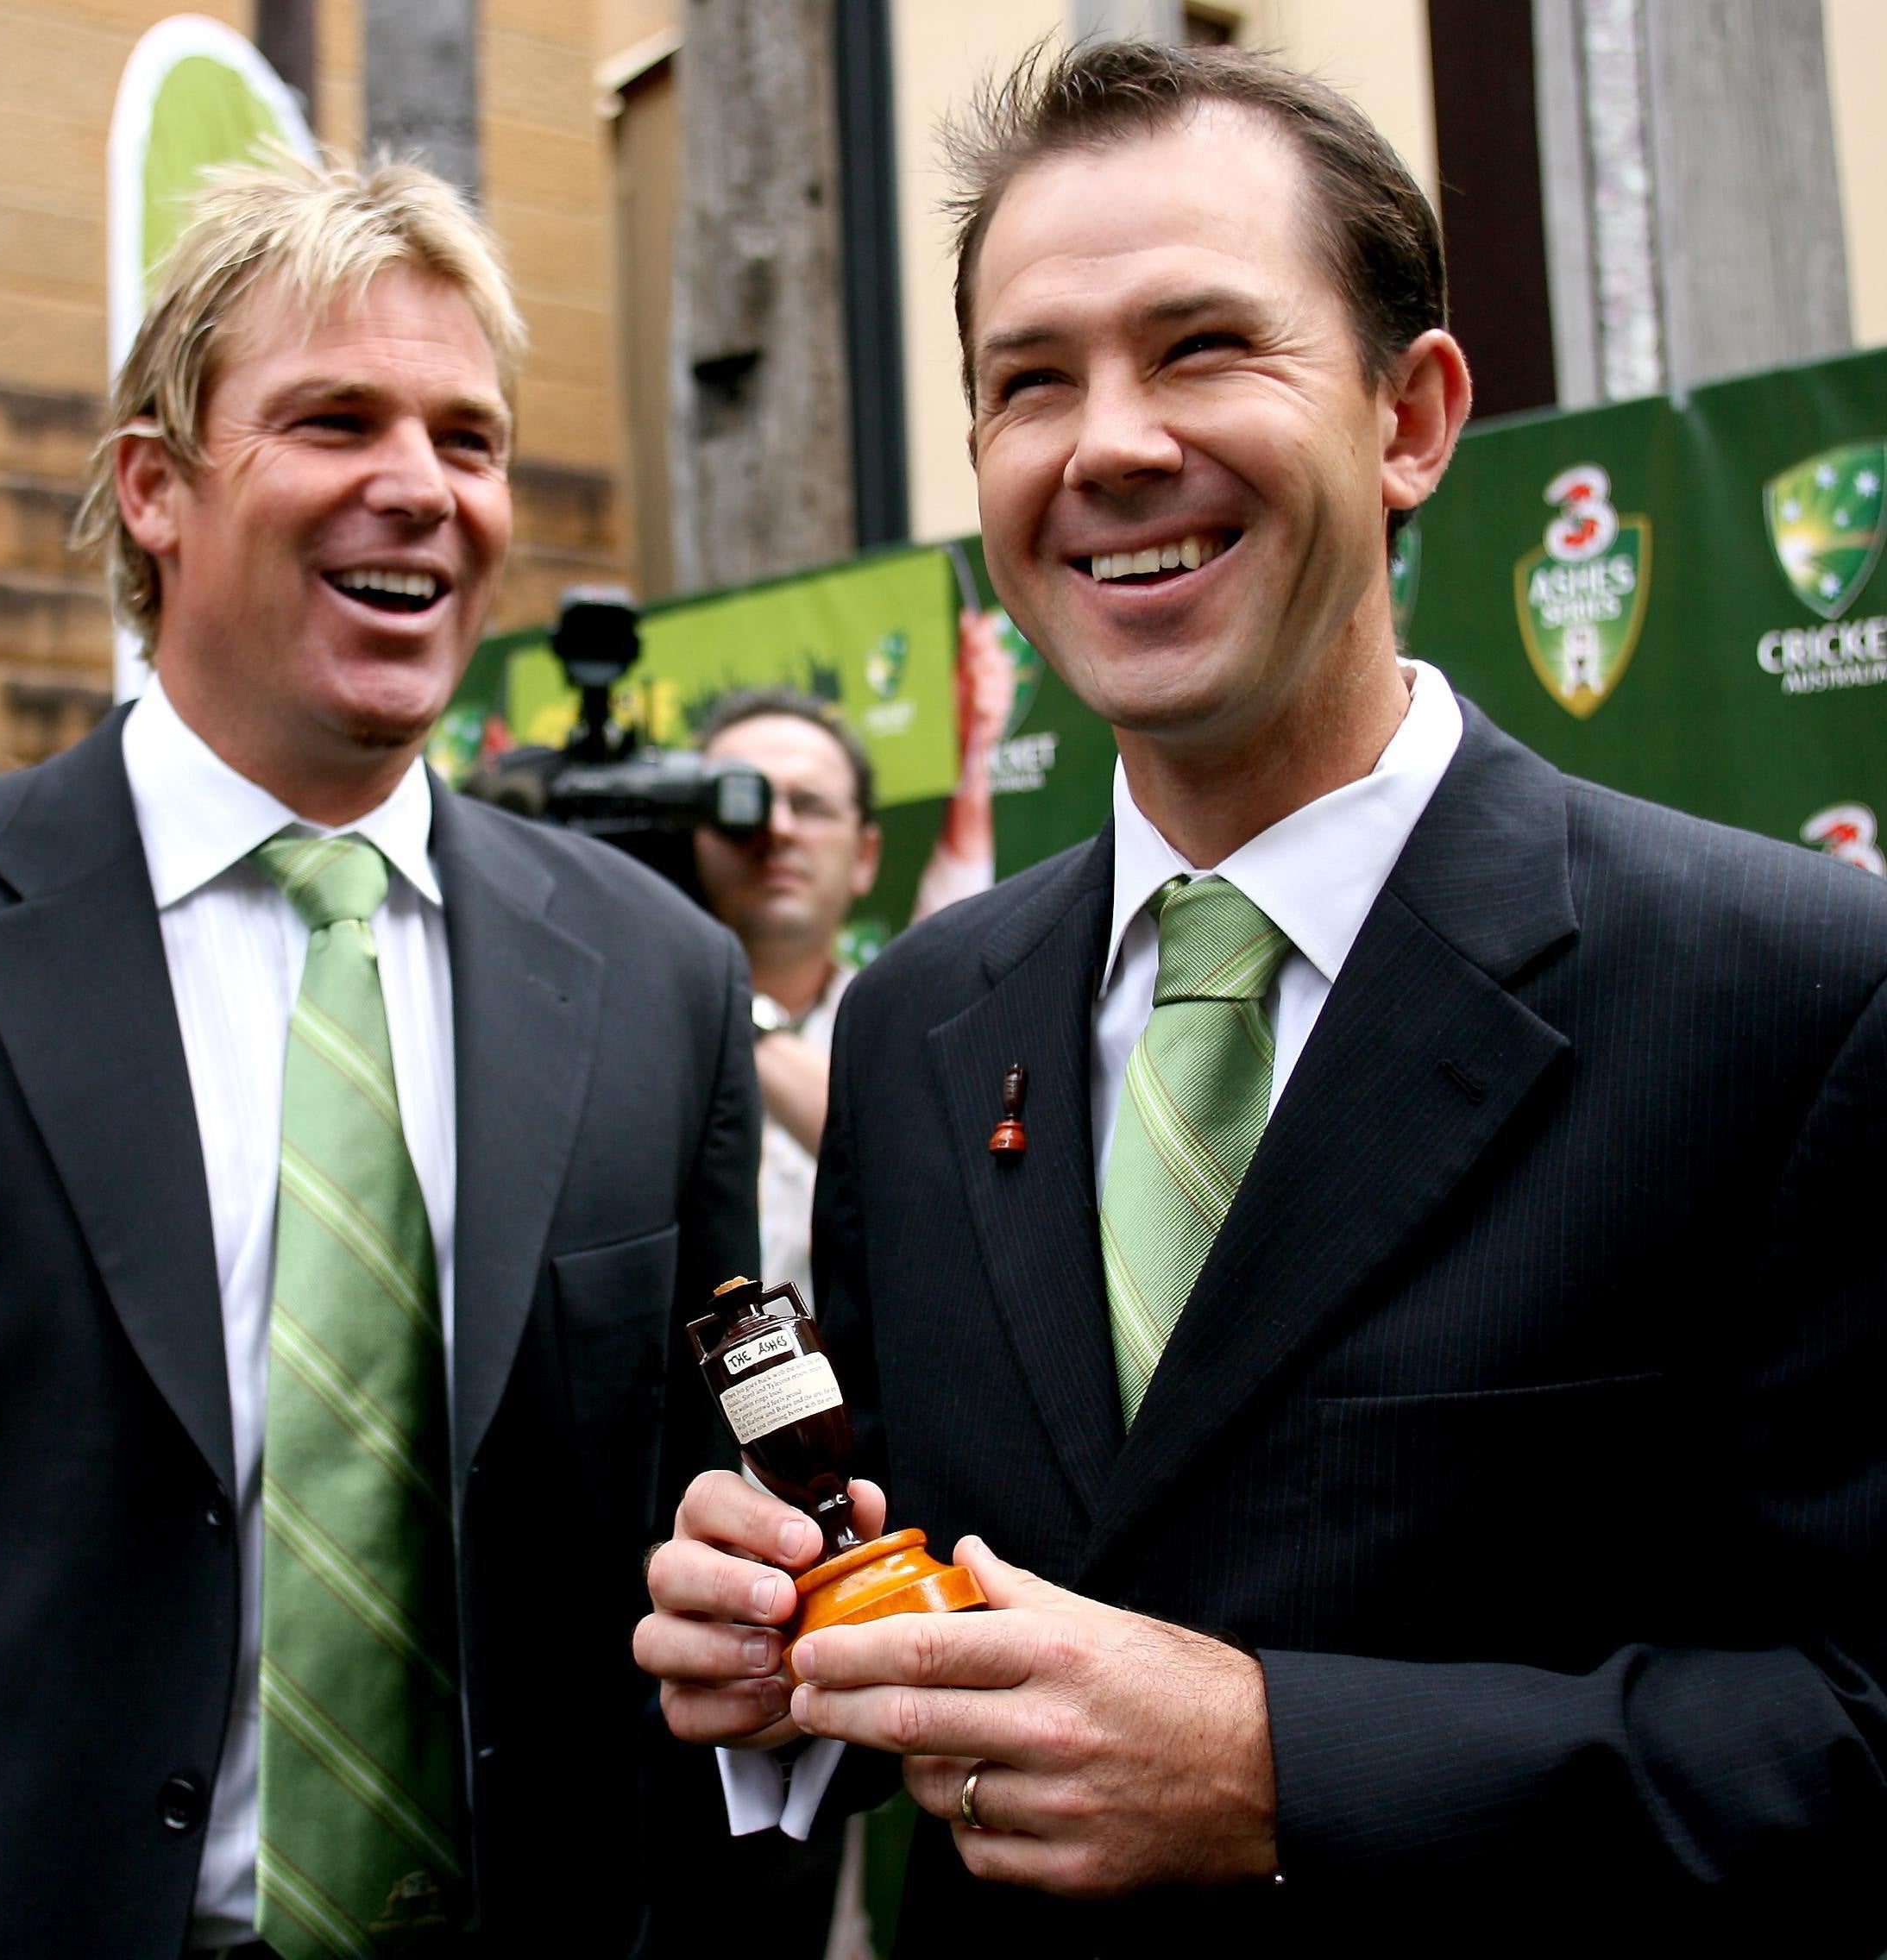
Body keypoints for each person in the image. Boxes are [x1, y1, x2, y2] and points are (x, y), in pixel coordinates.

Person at [636, 41, 1887, 1955]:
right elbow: (928, 1575)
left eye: (1201, 345)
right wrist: (780, 1632)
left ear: (1409, 417)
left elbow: (1857, 1727)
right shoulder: (918, 1023)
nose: (1106, 443)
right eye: (1026, 380)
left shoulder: (1785, 993)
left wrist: (1276, 1759)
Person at [0, 154, 758, 1959]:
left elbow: (713, 1536)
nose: (421, 489)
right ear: (155, 490)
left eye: (468, 440)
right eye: (333, 418)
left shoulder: (659, 978)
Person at [693, 690, 882, 1305]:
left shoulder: (921, 1027)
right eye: (740, 805)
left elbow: (916, 1175)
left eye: (810, 805)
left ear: (866, 855)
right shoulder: (614, 1033)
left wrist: (737, 1023)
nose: (775, 829)